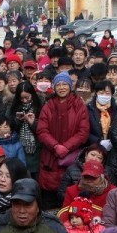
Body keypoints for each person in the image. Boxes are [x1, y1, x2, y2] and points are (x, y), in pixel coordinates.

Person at [36, 72, 90, 209]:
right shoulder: (48, 106)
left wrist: (66, 147)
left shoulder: (79, 105)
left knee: (70, 200)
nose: (61, 87)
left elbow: (83, 132)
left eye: (65, 84)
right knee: (49, 200)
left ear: (70, 86)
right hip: (50, 157)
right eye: (58, 84)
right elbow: (42, 130)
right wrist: (55, 146)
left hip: (71, 157)